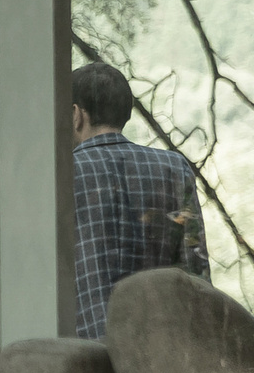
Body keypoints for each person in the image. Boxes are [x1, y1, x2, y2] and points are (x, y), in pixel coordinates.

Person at [71, 61, 207, 341]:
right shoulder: (174, 167)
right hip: (160, 346)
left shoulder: (61, 173)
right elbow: (194, 266)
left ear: (76, 115)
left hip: (82, 352)